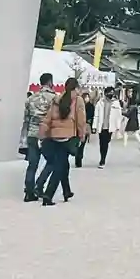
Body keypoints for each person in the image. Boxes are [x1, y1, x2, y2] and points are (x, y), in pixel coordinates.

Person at [35, 77, 89, 206]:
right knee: (59, 167)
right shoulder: (78, 100)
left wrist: (42, 134)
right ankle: (48, 195)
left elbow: (48, 118)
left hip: (54, 137)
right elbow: (81, 120)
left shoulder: (57, 99)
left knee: (63, 164)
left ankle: (66, 191)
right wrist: (81, 136)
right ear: (76, 88)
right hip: (68, 137)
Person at [22, 73, 58, 203]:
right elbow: (55, 118)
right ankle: (40, 184)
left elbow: (26, 118)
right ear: (50, 82)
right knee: (52, 161)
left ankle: (29, 192)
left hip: (32, 134)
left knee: (32, 164)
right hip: (46, 135)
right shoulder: (54, 98)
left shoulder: (31, 98)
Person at [92, 87, 122, 168]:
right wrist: (94, 126)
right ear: (105, 93)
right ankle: (102, 159)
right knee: (102, 143)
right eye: (109, 93)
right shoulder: (100, 103)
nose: (111, 94)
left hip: (110, 127)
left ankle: (103, 157)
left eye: (112, 92)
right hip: (102, 126)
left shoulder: (116, 103)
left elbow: (118, 116)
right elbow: (96, 115)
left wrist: (118, 127)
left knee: (106, 142)